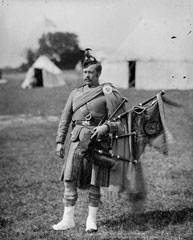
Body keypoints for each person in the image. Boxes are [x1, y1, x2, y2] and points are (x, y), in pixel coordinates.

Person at [52, 49, 129, 233]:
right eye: (85, 72)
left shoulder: (107, 92)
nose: (87, 75)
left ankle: (91, 220)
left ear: (98, 74)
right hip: (77, 141)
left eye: (91, 72)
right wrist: (60, 141)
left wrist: (106, 127)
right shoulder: (75, 93)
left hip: (98, 142)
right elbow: (65, 118)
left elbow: (121, 122)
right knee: (69, 179)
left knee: (95, 183)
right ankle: (67, 219)